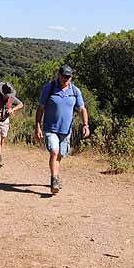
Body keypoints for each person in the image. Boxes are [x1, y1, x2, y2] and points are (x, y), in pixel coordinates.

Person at [34, 64, 90, 194]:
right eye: (63, 76)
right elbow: (41, 107)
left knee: (60, 154)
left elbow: (82, 109)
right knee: (54, 152)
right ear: (58, 75)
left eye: (68, 77)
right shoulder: (49, 88)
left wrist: (85, 125)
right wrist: (37, 126)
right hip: (50, 128)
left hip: (66, 131)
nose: (65, 79)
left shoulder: (75, 91)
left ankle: (56, 176)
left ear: (71, 77)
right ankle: (54, 179)